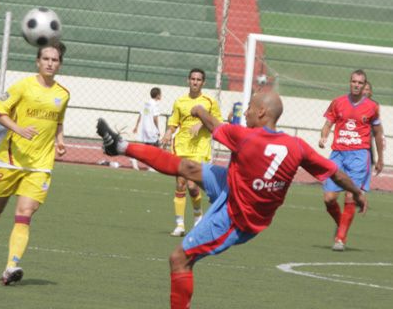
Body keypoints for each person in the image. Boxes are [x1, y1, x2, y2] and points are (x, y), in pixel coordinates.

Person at [96, 91, 367, 309]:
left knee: (179, 259)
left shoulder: (245, 137)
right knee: (188, 168)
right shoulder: (296, 146)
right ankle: (118, 146)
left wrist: (200, 110)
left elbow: (215, 125)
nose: (246, 111)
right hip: (235, 185)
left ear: (262, 112)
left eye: (249, 106)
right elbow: (336, 174)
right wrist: (357, 192)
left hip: (238, 216)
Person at [0, 42, 70, 285]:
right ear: (37, 61)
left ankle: (11, 266)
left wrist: (60, 141)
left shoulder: (63, 94)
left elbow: (57, 122)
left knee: (25, 214)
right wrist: (18, 129)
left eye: (54, 60)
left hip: (40, 165)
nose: (49, 63)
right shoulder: (22, 86)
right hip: (11, 159)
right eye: (45, 58)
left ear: (59, 64)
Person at [319, 69, 383, 251]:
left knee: (350, 195)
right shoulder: (337, 102)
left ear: (364, 86)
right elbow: (327, 124)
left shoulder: (372, 107)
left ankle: (340, 238)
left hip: (359, 155)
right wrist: (323, 136)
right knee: (329, 199)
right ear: (350, 82)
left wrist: (379, 158)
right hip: (338, 154)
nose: (356, 85)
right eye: (353, 81)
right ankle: (342, 224)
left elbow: (378, 133)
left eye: (360, 83)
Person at [160, 68, 222, 236]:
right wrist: (168, 132)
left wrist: (202, 122)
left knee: (193, 186)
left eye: (198, 79)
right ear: (188, 80)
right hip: (181, 146)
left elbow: (217, 122)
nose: (195, 82)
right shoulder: (180, 101)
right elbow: (173, 123)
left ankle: (197, 219)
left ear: (203, 82)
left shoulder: (209, 102)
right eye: (193, 79)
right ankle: (179, 225)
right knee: (180, 184)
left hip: (200, 147)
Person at [131, 87, 162, 171]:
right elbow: (155, 118)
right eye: (160, 94)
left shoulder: (146, 103)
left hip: (144, 128)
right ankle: (151, 167)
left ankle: (135, 158)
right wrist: (158, 129)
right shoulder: (155, 104)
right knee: (155, 148)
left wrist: (136, 126)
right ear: (158, 95)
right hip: (151, 129)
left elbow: (141, 114)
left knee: (147, 147)